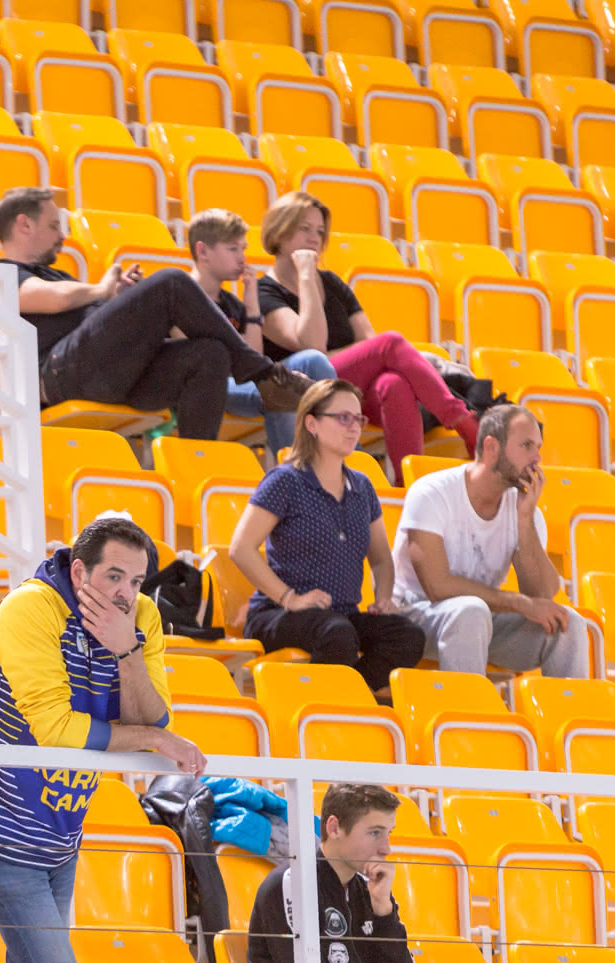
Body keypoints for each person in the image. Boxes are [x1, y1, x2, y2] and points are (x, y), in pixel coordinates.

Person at [0, 516, 208, 963]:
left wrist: (126, 650)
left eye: (135, 580)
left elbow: (153, 718)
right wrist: (151, 739)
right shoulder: (29, 608)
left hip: (61, 829)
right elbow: (57, 730)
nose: (126, 593)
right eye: (113, 576)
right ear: (79, 572)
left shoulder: (140, 617)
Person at [0, 187, 311, 438]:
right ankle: (264, 375)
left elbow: (76, 306)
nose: (62, 236)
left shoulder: (62, 277)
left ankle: (197, 463)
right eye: (53, 226)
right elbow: (51, 300)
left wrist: (118, 301)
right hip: (58, 375)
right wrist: (102, 292)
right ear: (24, 224)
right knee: (171, 282)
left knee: (209, 354)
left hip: (110, 372)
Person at [257, 192, 479, 484]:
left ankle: (407, 488)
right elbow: (312, 346)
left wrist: (359, 353)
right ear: (279, 232)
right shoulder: (264, 292)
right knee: (390, 343)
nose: (315, 238)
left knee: (394, 383)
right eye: (304, 229)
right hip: (302, 390)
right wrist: (307, 276)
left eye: (320, 232)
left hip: (347, 389)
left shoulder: (333, 284)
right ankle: (463, 420)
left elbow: (370, 345)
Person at [228, 379, 425, 690]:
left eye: (358, 419)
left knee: (407, 636)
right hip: (278, 613)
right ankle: (326, 712)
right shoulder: (286, 481)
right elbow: (241, 548)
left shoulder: (363, 488)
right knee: (337, 634)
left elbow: (381, 561)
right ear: (312, 423)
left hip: (341, 615)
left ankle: (350, 697)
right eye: (343, 418)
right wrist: (289, 598)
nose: (354, 427)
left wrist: (384, 598)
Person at [392, 404, 588, 678]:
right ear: (491, 447)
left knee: (569, 624)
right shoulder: (431, 493)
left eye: (539, 448)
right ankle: (468, 719)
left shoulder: (526, 510)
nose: (537, 458)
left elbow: (541, 595)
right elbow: (437, 586)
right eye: (527, 446)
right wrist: (518, 603)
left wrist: (524, 520)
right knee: (470, 611)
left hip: (480, 619)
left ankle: (571, 717)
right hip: (411, 617)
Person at [184, 208, 337, 459]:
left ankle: (344, 461)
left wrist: (252, 305)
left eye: (243, 249)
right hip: (208, 384)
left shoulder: (232, 304)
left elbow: (252, 359)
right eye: (233, 249)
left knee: (314, 360)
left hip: (242, 380)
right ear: (203, 251)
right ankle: (297, 473)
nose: (242, 258)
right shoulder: (181, 296)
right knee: (279, 389)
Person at [246, 783, 415, 963]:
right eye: (374, 833)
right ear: (334, 828)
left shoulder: (369, 890)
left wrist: (384, 911)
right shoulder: (291, 883)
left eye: (388, 833)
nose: (386, 848)